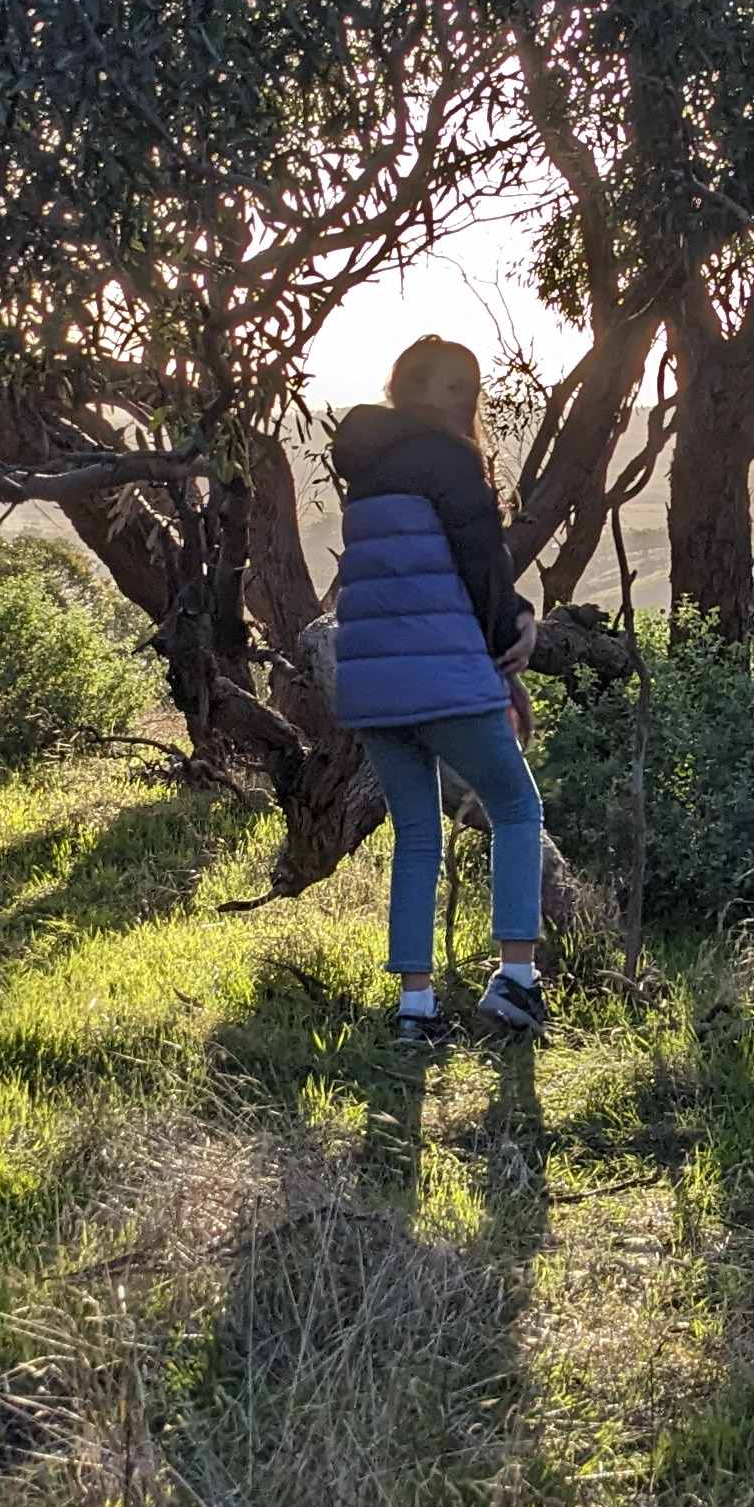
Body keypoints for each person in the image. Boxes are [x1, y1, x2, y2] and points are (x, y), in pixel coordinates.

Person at [327, 335, 547, 1037]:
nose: (465, 398)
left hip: (372, 686)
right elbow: (483, 570)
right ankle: (516, 982)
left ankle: (414, 1010)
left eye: (469, 385)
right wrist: (515, 631)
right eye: (448, 386)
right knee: (516, 807)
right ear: (409, 391)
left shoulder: (365, 469)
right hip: (445, 673)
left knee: (417, 834)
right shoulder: (453, 461)